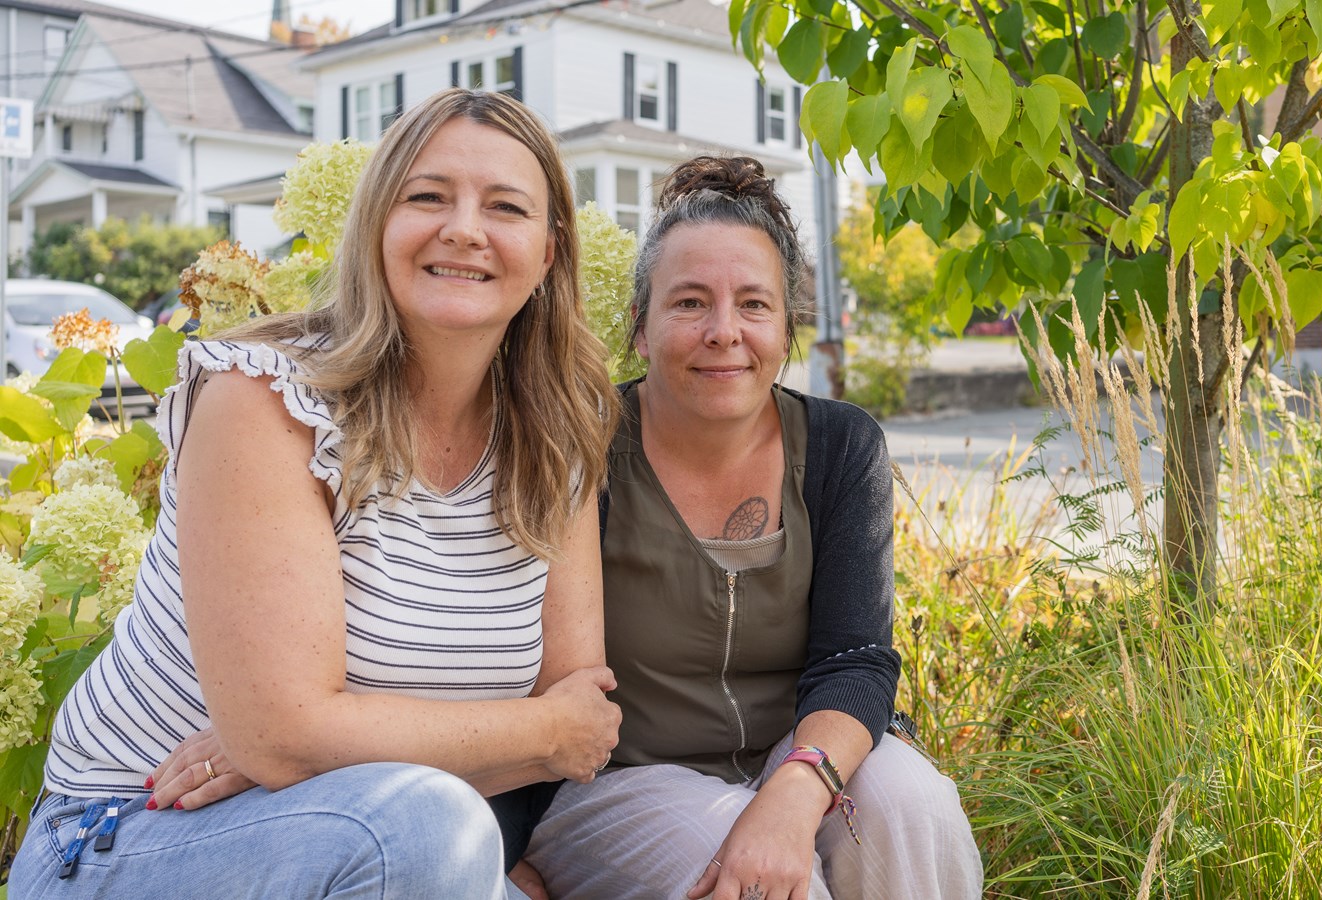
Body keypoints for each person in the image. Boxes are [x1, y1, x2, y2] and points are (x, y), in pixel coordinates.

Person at [8, 88, 622, 899]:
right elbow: (548, 731)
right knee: (426, 825)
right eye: (427, 197)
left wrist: (320, 744)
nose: (464, 229)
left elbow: (581, 725)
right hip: (125, 836)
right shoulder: (267, 399)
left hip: (349, 833)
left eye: (506, 207)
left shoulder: (554, 441)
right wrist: (297, 744)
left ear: (548, 254)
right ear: (375, 226)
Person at [517, 156, 983, 899]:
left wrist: (796, 792)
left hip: (792, 752)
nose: (724, 332)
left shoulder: (840, 446)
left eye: (755, 305)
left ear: (787, 328)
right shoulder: (583, 444)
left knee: (911, 803)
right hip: (617, 787)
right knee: (752, 879)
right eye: (690, 302)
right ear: (640, 327)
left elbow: (858, 658)